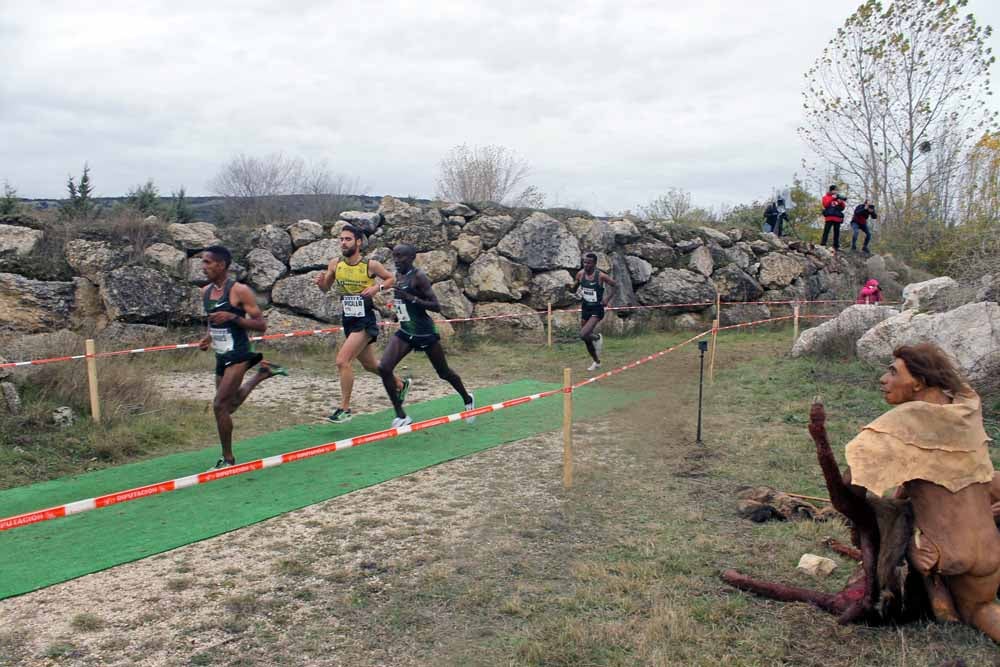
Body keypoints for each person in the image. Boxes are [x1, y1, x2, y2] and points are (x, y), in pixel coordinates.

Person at [845, 344, 1000, 642]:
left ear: (918, 382)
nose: (883, 379)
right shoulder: (966, 408)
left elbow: (851, 482)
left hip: (945, 552)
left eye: (893, 372)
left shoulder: (904, 421)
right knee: (983, 609)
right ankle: (943, 604)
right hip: (989, 548)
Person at [198, 245, 287, 470]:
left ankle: (227, 460)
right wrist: (208, 337)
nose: (203, 266)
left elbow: (261, 325)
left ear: (221, 265)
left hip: (239, 353)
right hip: (221, 354)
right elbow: (213, 319)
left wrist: (233, 317)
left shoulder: (239, 291)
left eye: (207, 262)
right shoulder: (205, 292)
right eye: (203, 262)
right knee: (231, 405)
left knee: (219, 405)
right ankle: (262, 374)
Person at [314, 225, 407, 424]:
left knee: (342, 361)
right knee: (369, 365)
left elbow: (391, 278)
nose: (343, 243)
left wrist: (377, 288)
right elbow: (325, 288)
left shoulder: (370, 265)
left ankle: (345, 408)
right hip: (348, 318)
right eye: (341, 239)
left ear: (358, 242)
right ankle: (399, 384)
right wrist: (320, 282)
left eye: (348, 239)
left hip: (365, 319)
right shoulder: (335, 264)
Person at [376, 244, 475, 428]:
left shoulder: (419, 276)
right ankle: (401, 415)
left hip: (425, 332)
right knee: (384, 368)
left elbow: (435, 305)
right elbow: (402, 300)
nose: (397, 261)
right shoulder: (399, 275)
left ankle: (468, 398)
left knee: (444, 372)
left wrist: (410, 298)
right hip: (406, 331)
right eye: (394, 257)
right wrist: (397, 312)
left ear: (412, 257)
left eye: (401, 257)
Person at [573, 253, 618, 372]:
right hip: (585, 307)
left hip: (597, 309)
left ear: (594, 264)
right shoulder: (580, 274)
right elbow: (575, 287)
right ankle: (596, 361)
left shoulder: (601, 276)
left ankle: (597, 338)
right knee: (586, 338)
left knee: (583, 334)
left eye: (589, 263)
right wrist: (572, 289)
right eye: (584, 262)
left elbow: (615, 286)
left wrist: (607, 299)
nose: (586, 265)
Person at [820, 184, 846, 251]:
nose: (836, 191)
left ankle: (836, 246)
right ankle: (823, 244)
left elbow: (843, 208)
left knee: (837, 232)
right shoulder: (825, 197)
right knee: (826, 231)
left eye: (837, 190)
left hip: (837, 217)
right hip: (829, 217)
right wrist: (832, 198)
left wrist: (841, 202)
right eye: (835, 190)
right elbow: (825, 205)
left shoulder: (838, 197)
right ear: (832, 190)